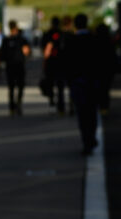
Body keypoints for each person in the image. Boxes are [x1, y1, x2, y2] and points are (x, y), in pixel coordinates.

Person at [64, 13, 103, 155]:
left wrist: (69, 81)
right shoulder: (94, 39)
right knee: (92, 113)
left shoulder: (71, 41)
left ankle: (87, 141)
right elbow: (101, 62)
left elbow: (66, 63)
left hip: (78, 82)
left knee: (82, 114)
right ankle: (90, 138)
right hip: (92, 82)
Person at [0, 20, 31, 116]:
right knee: (20, 86)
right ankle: (18, 103)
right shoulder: (21, 39)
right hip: (19, 65)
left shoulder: (6, 40)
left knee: (11, 87)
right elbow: (26, 52)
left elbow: (2, 54)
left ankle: (11, 107)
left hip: (10, 66)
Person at [42, 16, 68, 114]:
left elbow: (46, 48)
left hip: (51, 63)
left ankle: (52, 98)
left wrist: (45, 61)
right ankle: (61, 107)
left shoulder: (48, 34)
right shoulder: (63, 34)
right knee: (60, 86)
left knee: (50, 82)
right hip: (61, 63)